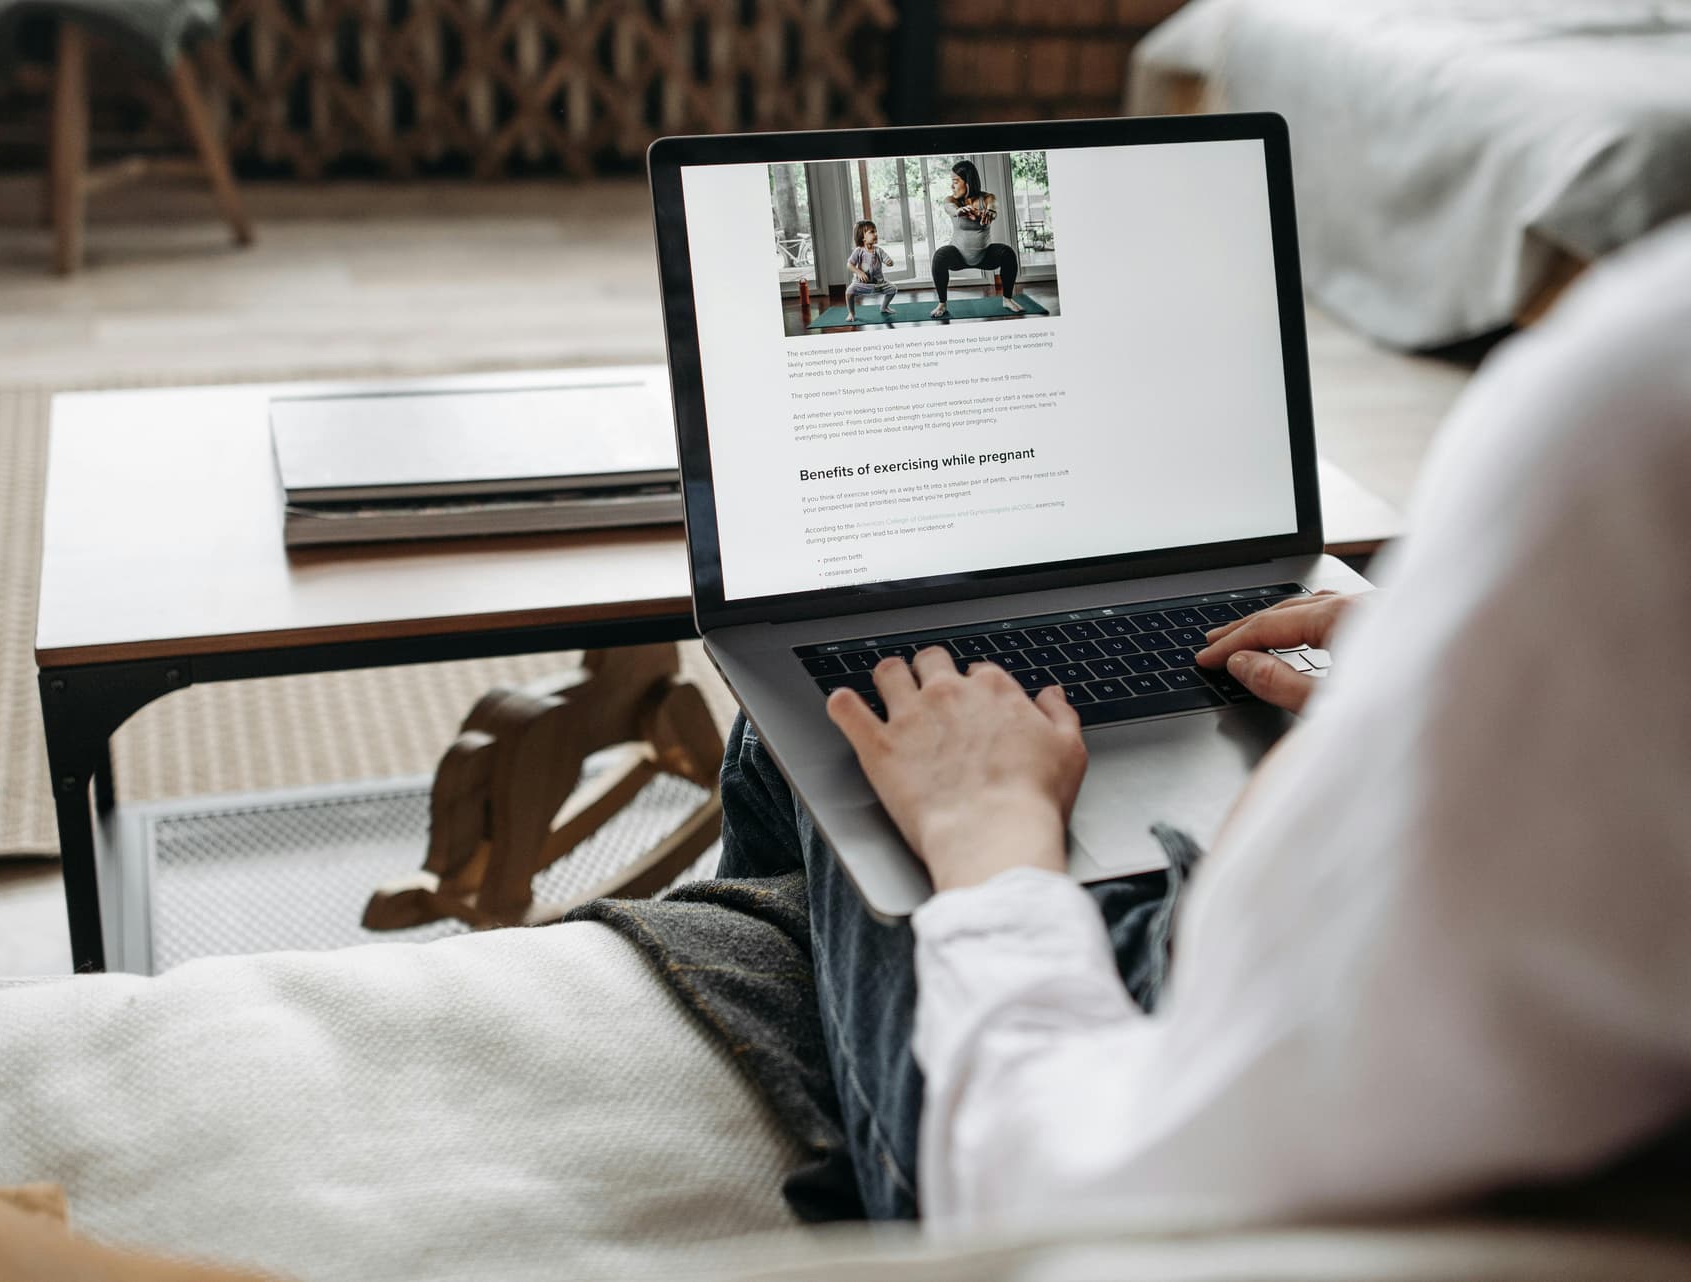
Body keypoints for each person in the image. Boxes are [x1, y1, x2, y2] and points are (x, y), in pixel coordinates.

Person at [717, 219, 1691, 1232]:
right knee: (843, 729)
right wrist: (1444, 671)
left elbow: (1076, 1197)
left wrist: (993, 836)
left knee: (823, 736)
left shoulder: (1638, 397)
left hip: (1115, 1120)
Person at [930, 159, 1023, 319]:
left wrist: (991, 212)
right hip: (958, 256)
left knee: (1007, 253)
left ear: (968, 181)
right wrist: (959, 211)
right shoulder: (951, 200)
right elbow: (949, 207)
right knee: (939, 256)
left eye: (955, 181)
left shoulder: (986, 198)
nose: (952, 186)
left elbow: (993, 206)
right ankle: (942, 304)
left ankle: (1007, 299)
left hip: (984, 255)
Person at [845, 220, 899, 322]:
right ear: (863, 237)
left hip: (879, 283)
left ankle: (884, 307)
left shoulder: (878, 250)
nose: (875, 234)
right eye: (872, 232)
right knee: (849, 292)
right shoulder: (859, 251)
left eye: (876, 231)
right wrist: (859, 272)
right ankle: (851, 313)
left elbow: (887, 259)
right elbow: (849, 264)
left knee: (893, 289)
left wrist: (889, 262)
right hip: (862, 283)